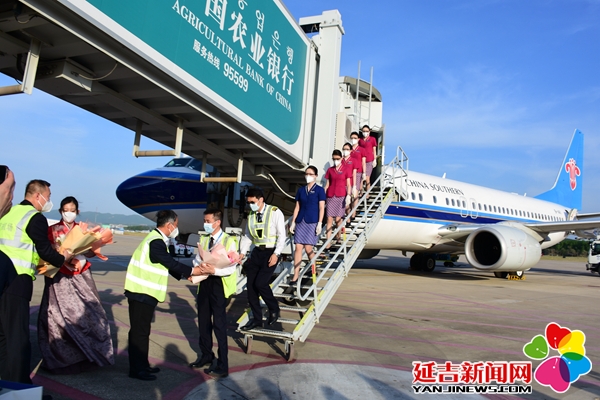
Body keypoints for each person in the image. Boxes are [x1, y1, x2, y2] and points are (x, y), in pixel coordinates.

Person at [0, 180, 71, 385]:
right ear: (37, 195)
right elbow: (45, 250)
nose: (48, 201)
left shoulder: (9, 212)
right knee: (18, 338)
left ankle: (6, 382)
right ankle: (19, 388)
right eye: (48, 197)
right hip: (17, 279)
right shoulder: (34, 217)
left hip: (2, 277)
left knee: (3, 335)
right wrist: (63, 258)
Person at [37, 196, 114, 374]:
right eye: (65, 210)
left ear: (77, 212)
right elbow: (46, 251)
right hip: (59, 275)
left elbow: (91, 252)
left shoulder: (83, 230)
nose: (69, 213)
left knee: (91, 315)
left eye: (72, 210)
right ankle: (61, 360)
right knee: (57, 317)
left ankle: (89, 355)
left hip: (80, 274)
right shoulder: (52, 230)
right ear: (61, 211)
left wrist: (88, 248)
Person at [124, 209, 203, 381]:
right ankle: (137, 370)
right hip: (141, 292)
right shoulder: (156, 241)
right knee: (139, 332)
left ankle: (142, 365)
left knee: (143, 331)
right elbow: (168, 261)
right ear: (169, 225)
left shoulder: (157, 239)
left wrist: (185, 275)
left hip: (144, 292)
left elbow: (163, 263)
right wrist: (192, 270)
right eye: (176, 225)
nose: (177, 228)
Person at [189, 209, 238, 379]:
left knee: (219, 325)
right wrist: (199, 266)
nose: (205, 224)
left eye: (208, 221)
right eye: (205, 221)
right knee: (203, 323)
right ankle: (206, 355)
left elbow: (232, 267)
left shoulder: (229, 240)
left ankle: (223, 364)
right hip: (204, 283)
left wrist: (214, 270)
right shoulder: (204, 239)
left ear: (217, 222)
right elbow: (196, 259)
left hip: (219, 284)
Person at [239, 188, 285, 331]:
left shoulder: (275, 212)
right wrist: (242, 253)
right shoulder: (251, 215)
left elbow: (281, 235)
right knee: (251, 287)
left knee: (261, 283)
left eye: (252, 202)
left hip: (270, 253)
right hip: (257, 252)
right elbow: (248, 235)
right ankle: (256, 319)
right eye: (248, 202)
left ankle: (274, 308)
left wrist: (276, 254)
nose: (250, 205)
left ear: (261, 200)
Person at [288, 166, 326, 291]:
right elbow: (297, 207)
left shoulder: (319, 190)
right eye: (306, 174)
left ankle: (314, 268)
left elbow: (321, 207)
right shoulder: (301, 190)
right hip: (301, 220)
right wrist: (293, 222)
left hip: (312, 221)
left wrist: (320, 223)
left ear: (315, 176)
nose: (308, 176)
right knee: (298, 247)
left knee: (308, 248)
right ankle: (296, 275)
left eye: (310, 174)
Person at [324, 150, 352, 249]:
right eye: (334, 159)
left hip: (341, 196)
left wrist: (348, 195)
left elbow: (348, 184)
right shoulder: (330, 170)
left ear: (341, 158)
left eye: (337, 159)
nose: (335, 160)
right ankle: (328, 242)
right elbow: (327, 184)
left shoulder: (346, 169)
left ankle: (338, 236)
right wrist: (323, 196)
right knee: (329, 219)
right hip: (331, 196)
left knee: (338, 219)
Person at [350, 132, 367, 219]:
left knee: (355, 193)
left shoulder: (362, 150)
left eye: (355, 138)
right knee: (349, 193)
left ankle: (354, 212)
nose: (353, 139)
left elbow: (363, 162)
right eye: (352, 138)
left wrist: (364, 172)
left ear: (358, 139)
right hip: (349, 173)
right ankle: (350, 211)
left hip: (358, 172)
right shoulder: (349, 149)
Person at [359, 125, 378, 193]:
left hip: (369, 160)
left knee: (367, 178)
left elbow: (374, 150)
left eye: (366, 131)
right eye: (364, 131)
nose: (365, 132)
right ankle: (360, 192)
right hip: (361, 160)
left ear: (369, 131)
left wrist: (375, 159)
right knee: (361, 177)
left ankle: (367, 193)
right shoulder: (360, 140)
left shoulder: (372, 139)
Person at [341, 143, 358, 218]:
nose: (345, 151)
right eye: (344, 149)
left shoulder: (353, 160)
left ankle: (351, 214)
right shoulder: (340, 160)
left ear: (351, 150)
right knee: (345, 203)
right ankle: (348, 217)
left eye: (347, 149)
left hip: (349, 184)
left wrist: (354, 186)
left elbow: (354, 174)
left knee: (349, 201)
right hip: (341, 184)